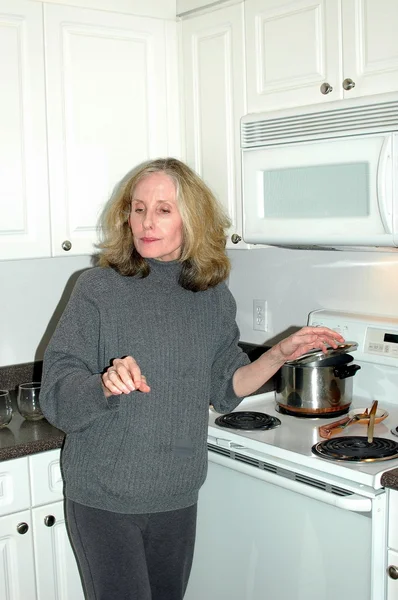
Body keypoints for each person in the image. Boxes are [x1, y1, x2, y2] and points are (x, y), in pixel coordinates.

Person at [40, 157, 344, 600]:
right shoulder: (98, 289)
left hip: (178, 490)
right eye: (138, 208)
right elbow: (56, 395)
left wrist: (280, 353)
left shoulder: (212, 296)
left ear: (193, 218)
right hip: (104, 494)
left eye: (163, 209)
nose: (145, 221)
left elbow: (225, 386)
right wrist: (104, 384)